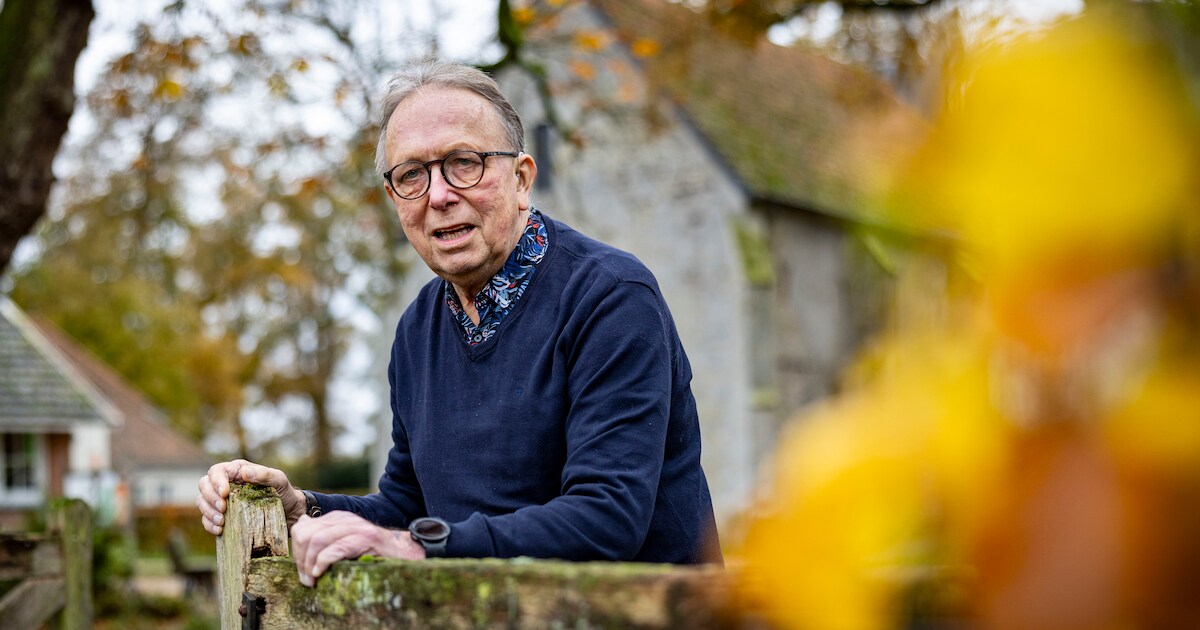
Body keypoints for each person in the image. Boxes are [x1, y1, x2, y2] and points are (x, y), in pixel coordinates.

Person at [196, 59, 720, 586]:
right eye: (411, 176)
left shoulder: (610, 298)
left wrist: (424, 546)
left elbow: (608, 518)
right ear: (394, 199)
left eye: (463, 163)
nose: (439, 195)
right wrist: (302, 508)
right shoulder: (417, 328)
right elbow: (408, 505)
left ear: (521, 179)